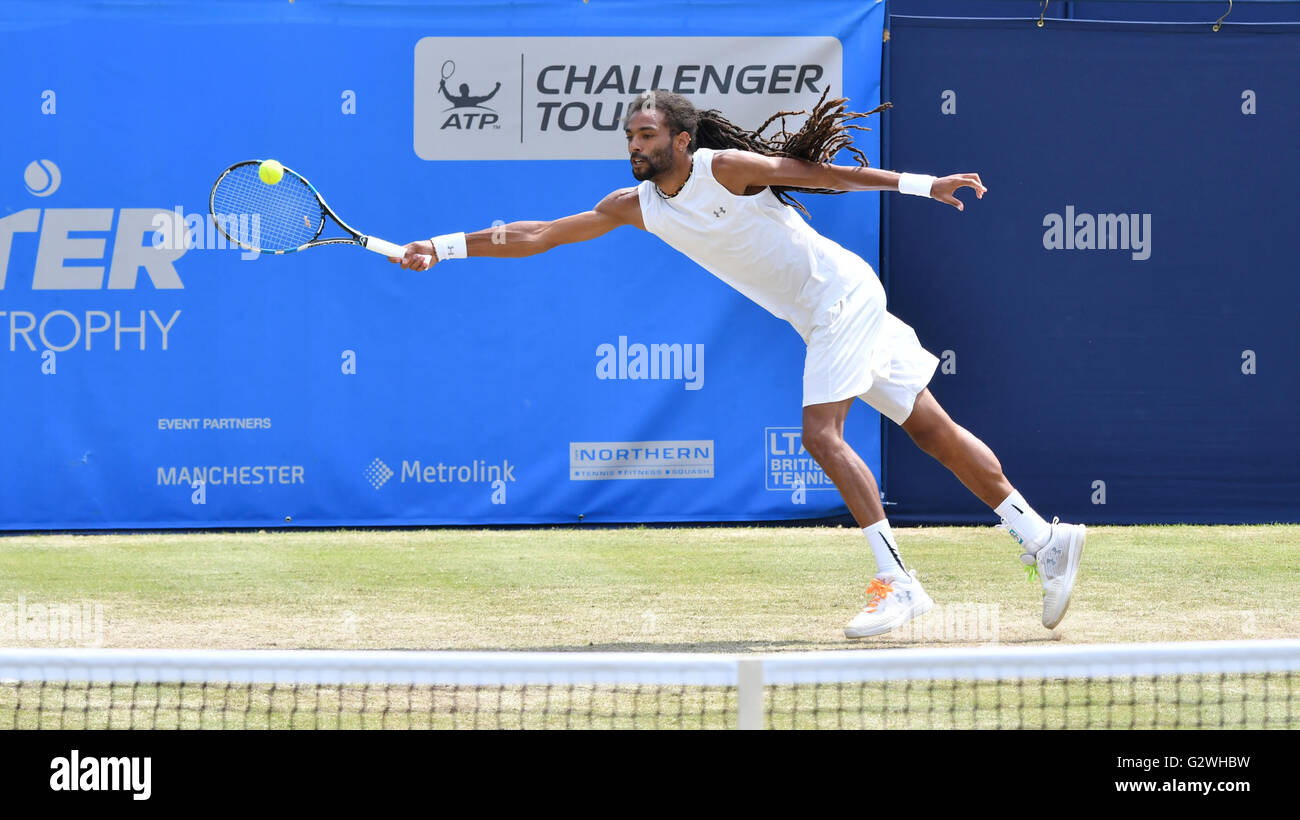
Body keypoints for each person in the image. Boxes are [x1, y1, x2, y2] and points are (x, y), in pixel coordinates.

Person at [392, 89, 1086, 638]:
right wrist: (442, 244)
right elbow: (537, 234)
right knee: (931, 429)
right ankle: (1044, 538)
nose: (634, 147)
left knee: (820, 436)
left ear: (681, 141)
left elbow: (823, 175)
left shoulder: (726, 170)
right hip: (822, 311)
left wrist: (920, 183)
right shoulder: (633, 207)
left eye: (647, 136)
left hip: (840, 295)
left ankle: (898, 581)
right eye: (630, 137)